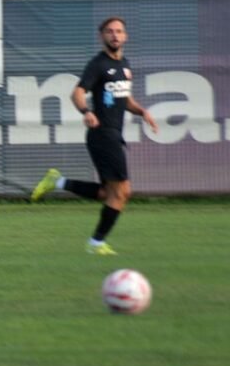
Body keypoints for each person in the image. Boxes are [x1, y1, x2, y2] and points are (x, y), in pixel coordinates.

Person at [31, 16, 158, 254]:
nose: (115, 35)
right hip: (102, 134)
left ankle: (57, 181)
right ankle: (96, 243)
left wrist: (142, 111)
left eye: (119, 31)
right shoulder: (98, 64)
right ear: (102, 36)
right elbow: (77, 93)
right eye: (110, 31)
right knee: (122, 192)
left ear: (125, 36)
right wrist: (86, 111)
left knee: (107, 193)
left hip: (113, 134)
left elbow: (124, 99)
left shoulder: (125, 65)